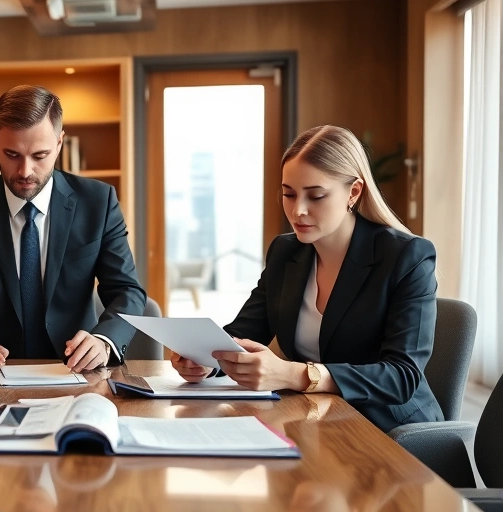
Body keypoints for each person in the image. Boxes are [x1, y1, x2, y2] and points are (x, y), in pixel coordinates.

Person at [171, 125, 443, 433]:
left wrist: (297, 375)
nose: (297, 210)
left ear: (353, 192)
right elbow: (244, 332)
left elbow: (402, 377)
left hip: (387, 431)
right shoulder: (285, 252)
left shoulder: (406, 256)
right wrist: (207, 360)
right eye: (289, 194)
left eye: (315, 196)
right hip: (314, 421)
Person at [0, 85, 146, 375]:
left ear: (59, 143)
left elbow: (127, 290)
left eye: (40, 155)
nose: (25, 171)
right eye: (12, 154)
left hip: (77, 371)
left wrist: (103, 341)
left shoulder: (98, 203)